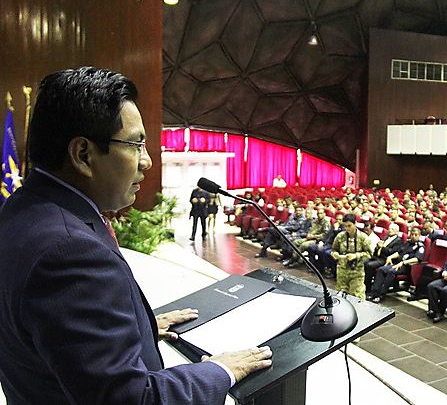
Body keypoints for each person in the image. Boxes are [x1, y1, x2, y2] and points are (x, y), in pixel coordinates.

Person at [0, 67, 272, 403]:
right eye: (136, 144)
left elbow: (51, 330)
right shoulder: (69, 251)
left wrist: (135, 329)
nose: (147, 161)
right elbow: (130, 399)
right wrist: (219, 371)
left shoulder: (22, 207)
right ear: (83, 154)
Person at [369, 227, 425, 303]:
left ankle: (382, 295)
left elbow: (417, 259)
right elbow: (399, 253)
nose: (413, 236)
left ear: (419, 236)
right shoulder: (407, 243)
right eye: (412, 234)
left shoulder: (420, 246)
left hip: (408, 267)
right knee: (381, 269)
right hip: (398, 264)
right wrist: (390, 257)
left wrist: (403, 262)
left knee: (390, 271)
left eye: (416, 235)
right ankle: (374, 293)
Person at [331, 213, 372, 299]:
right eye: (345, 226)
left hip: (356, 272)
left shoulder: (363, 237)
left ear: (355, 223)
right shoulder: (340, 236)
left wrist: (356, 256)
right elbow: (334, 249)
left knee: (357, 297)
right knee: (340, 297)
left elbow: (369, 254)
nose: (347, 228)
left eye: (349, 226)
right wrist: (334, 254)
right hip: (342, 270)